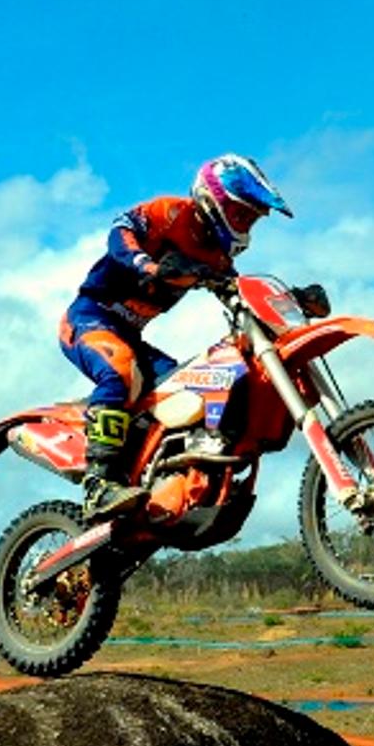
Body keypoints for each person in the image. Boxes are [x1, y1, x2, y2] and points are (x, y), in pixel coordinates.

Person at [59, 154, 291, 518]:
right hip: (89, 318)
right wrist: (146, 264)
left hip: (132, 335)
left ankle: (155, 476)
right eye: (243, 214)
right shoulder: (170, 212)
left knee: (188, 386)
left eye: (251, 220)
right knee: (120, 371)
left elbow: (238, 290)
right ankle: (98, 484)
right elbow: (119, 233)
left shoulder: (214, 256)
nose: (247, 224)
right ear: (216, 201)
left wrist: (293, 298)